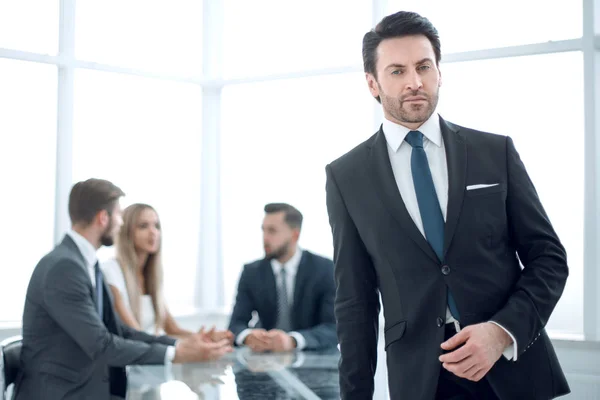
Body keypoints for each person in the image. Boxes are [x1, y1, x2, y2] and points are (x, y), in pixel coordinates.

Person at [325, 11, 570, 400]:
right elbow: (354, 301)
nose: (414, 82)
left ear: (440, 72)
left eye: (424, 67)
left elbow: (550, 258)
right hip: (421, 380)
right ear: (372, 83)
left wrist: (501, 332)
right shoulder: (346, 176)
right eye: (397, 71)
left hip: (512, 368)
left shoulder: (495, 152)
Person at [15, 179, 232, 400]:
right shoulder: (64, 267)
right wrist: (176, 354)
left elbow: (121, 331)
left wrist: (179, 344)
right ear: (103, 218)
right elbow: (100, 344)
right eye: (119, 215)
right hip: (63, 393)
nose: (120, 223)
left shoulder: (88, 264)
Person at [102, 203, 233, 342]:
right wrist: (193, 343)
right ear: (126, 232)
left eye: (156, 226)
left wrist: (204, 338)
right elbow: (136, 335)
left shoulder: (150, 276)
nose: (153, 232)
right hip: (129, 358)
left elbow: (173, 330)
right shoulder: (111, 271)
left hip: (147, 354)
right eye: (143, 226)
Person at [228, 203, 337, 352]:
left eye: (272, 231)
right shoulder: (251, 272)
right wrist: (248, 336)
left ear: (294, 235)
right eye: (263, 230)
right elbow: (236, 323)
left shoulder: (324, 269)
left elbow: (333, 327)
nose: (265, 238)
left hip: (313, 360)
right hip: (263, 361)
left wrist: (292, 340)